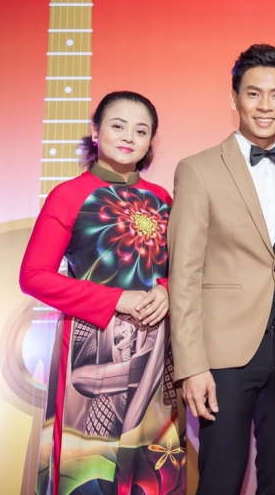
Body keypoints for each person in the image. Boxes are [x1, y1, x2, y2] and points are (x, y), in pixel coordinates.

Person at [167, 44, 275, 494]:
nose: (265, 106)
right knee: (220, 479)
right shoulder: (197, 170)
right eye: (253, 93)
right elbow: (183, 276)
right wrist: (191, 366)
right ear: (234, 98)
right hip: (222, 355)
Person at [19, 90, 183, 495]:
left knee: (152, 469)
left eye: (141, 131)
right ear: (95, 132)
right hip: (89, 348)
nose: (129, 137)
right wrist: (115, 299)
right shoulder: (68, 195)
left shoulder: (164, 200)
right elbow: (34, 276)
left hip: (154, 351)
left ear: (150, 141)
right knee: (89, 469)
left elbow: (183, 267)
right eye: (118, 125)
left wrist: (166, 291)